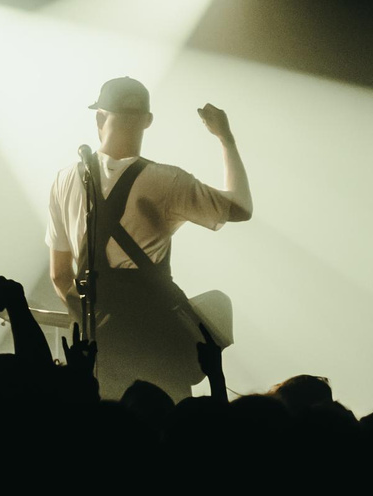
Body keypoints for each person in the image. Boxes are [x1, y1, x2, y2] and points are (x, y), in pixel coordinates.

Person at [45, 77, 252, 399]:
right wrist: (226, 139)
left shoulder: (63, 180)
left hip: (98, 346)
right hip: (157, 344)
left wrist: (91, 324)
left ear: (99, 117)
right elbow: (240, 208)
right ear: (148, 120)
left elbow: (59, 275)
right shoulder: (168, 180)